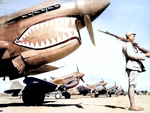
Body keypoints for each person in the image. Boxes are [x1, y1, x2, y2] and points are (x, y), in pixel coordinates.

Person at [122, 31, 150, 111]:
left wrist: (144, 51)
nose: (134, 36)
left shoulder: (131, 45)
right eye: (132, 35)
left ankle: (133, 105)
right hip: (132, 66)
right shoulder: (128, 44)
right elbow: (132, 55)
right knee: (132, 85)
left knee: (133, 85)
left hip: (132, 66)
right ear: (128, 36)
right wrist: (145, 55)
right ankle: (133, 106)